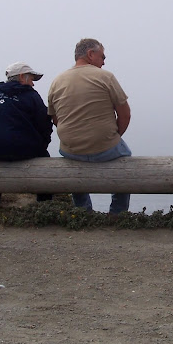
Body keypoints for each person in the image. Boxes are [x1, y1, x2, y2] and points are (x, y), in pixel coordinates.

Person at [48, 38, 132, 215]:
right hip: (105, 146)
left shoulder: (57, 81)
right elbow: (125, 114)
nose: (104, 61)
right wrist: (113, 136)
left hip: (71, 149)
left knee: (74, 166)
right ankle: (117, 213)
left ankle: (82, 211)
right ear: (90, 54)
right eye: (102, 56)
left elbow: (55, 118)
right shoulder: (105, 76)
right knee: (127, 160)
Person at [0, 62, 53, 204]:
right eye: (31, 79)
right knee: (45, 163)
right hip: (20, 149)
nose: (33, 84)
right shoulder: (31, 96)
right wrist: (41, 145)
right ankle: (44, 205)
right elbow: (45, 125)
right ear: (22, 77)